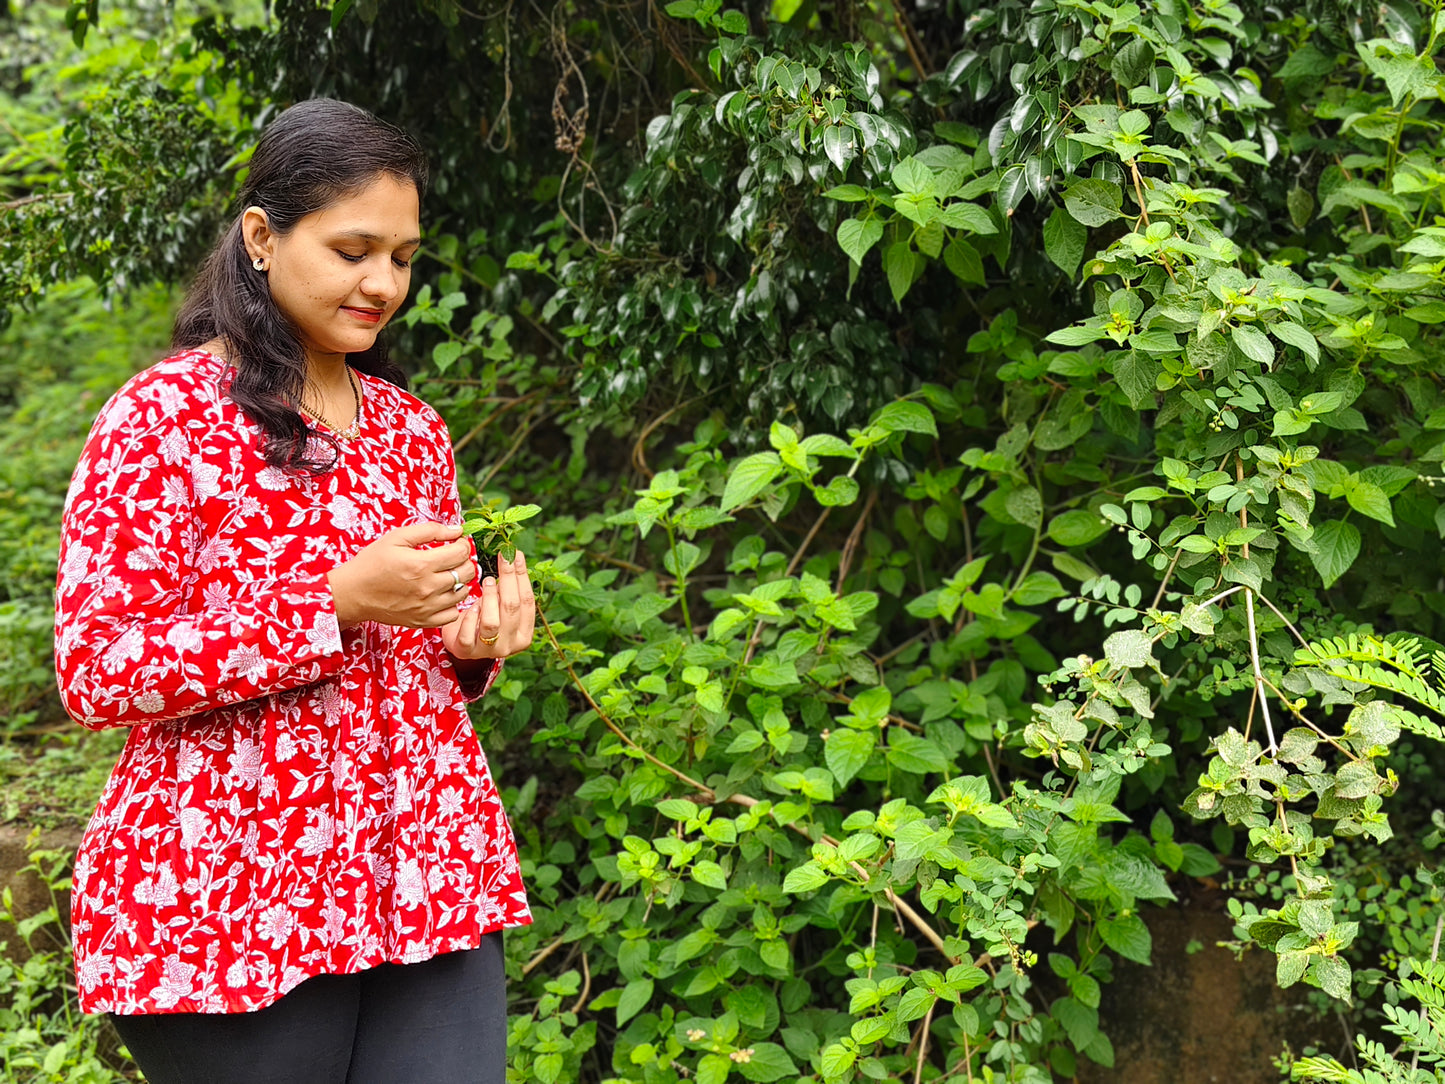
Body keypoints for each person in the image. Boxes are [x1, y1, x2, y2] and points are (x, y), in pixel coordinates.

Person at [52, 98, 534, 1084]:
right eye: (354, 248)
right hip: (229, 891)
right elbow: (97, 667)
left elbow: (414, 652)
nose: (382, 282)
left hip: (423, 866)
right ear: (262, 238)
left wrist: (468, 646)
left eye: (401, 257)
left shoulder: (411, 431)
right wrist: (328, 602)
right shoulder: (162, 421)